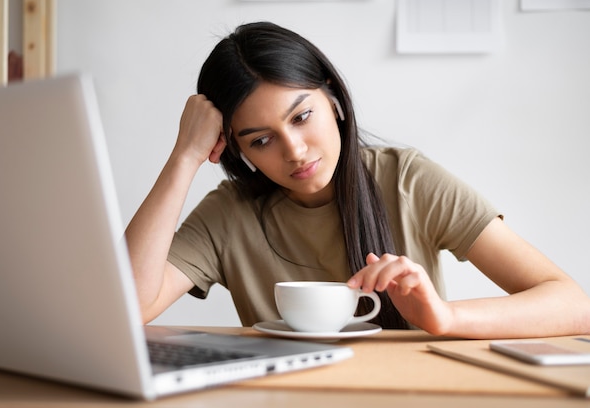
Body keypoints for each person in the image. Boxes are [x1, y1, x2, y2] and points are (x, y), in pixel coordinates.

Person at [125, 21, 590, 338]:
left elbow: (572, 304)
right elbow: (127, 308)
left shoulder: (407, 180)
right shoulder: (228, 215)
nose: (295, 150)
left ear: (334, 101)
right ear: (235, 149)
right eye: (261, 141)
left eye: (302, 116)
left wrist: (445, 317)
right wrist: (184, 157)